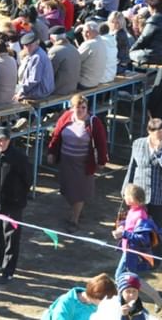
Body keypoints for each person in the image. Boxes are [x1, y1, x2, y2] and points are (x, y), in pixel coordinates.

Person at [46, 93, 108, 230]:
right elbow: (56, 135)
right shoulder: (66, 117)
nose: (80, 110)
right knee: (67, 189)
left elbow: (101, 143)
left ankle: (74, 220)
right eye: (77, 107)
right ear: (72, 108)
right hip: (66, 160)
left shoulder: (94, 122)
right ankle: (78, 211)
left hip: (83, 163)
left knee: (79, 191)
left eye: (83, 107)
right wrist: (51, 152)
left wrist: (102, 161)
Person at [0, 126, 30, 284]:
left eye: (5, 140)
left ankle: (9, 270)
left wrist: (19, 197)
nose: (2, 143)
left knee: (11, 236)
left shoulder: (19, 157)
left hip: (13, 204)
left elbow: (27, 179)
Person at [124, 118, 162, 255]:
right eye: (158, 133)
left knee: (158, 229)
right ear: (149, 131)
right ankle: (137, 255)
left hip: (161, 196)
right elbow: (132, 167)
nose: (161, 136)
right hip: (139, 195)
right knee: (137, 227)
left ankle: (155, 259)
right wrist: (126, 189)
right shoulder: (138, 144)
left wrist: (159, 151)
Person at [41, 273, 118, 320]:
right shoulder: (66, 302)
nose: (108, 303)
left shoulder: (98, 304)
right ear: (96, 297)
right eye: (106, 300)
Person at [14, 33, 54, 101]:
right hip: (42, 89)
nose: (28, 48)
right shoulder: (35, 54)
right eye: (26, 45)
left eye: (30, 45)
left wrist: (21, 91)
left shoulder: (37, 57)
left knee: (13, 97)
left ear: (36, 43)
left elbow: (34, 80)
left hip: (41, 91)